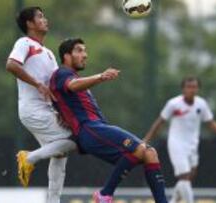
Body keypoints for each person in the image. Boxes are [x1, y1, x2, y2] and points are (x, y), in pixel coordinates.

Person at [50, 38, 168, 203]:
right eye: (79, 50)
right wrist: (101, 76)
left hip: (97, 129)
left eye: (85, 50)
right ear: (66, 55)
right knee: (140, 149)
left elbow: (63, 98)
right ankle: (105, 194)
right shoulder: (62, 73)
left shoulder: (72, 77)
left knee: (150, 153)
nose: (85, 55)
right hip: (89, 129)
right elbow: (72, 86)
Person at [5, 7, 76, 203]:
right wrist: (36, 83)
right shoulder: (24, 43)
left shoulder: (49, 53)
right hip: (32, 110)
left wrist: (61, 111)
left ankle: (53, 201)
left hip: (47, 109)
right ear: (29, 24)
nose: (45, 19)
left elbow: (55, 88)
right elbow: (11, 65)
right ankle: (29, 158)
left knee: (60, 154)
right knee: (75, 141)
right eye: (40, 16)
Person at [144, 76, 216, 203]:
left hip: (192, 144)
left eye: (194, 87)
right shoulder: (173, 104)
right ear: (183, 89)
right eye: (189, 87)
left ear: (198, 88)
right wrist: (146, 140)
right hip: (176, 143)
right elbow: (160, 122)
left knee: (188, 178)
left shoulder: (201, 104)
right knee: (184, 176)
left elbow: (210, 122)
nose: (192, 90)